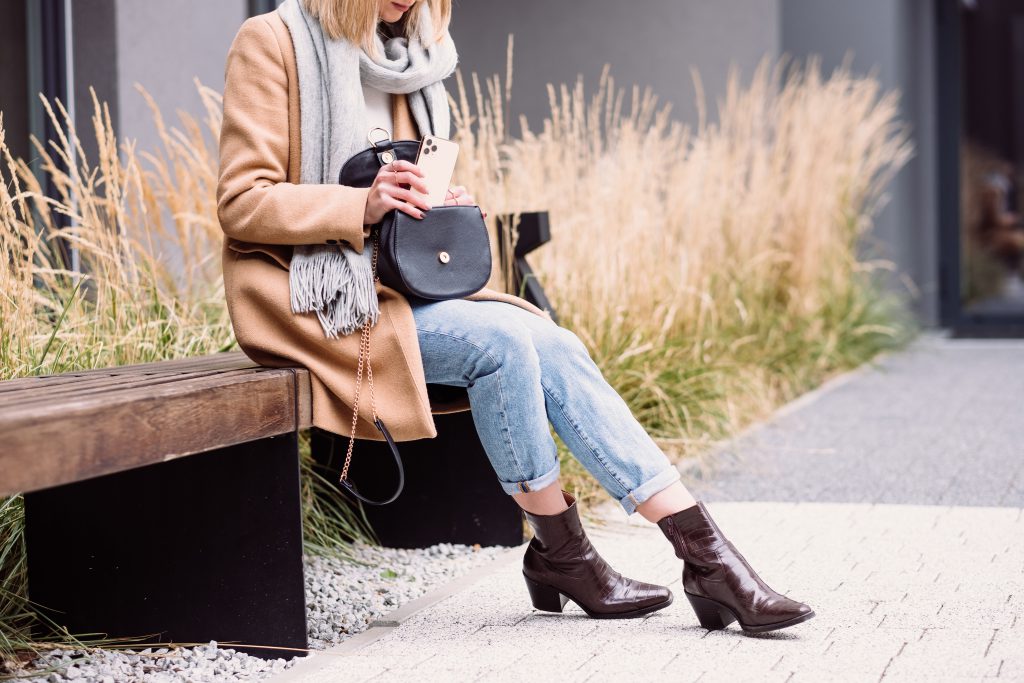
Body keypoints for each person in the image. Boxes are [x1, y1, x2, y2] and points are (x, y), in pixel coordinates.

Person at [216, 0, 815, 633]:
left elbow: (400, 192)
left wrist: (439, 202)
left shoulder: (408, 55)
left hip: (398, 285)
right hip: (313, 300)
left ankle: (700, 554)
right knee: (501, 340)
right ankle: (568, 554)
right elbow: (241, 201)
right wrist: (361, 204)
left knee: (551, 342)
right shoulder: (274, 42)